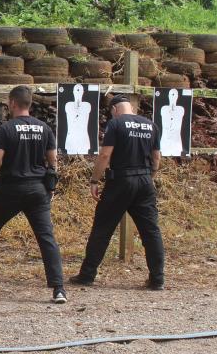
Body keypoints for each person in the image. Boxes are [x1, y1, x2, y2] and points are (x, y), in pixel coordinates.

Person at [0, 85, 67, 304]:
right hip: (38, 189)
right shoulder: (44, 128)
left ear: (12, 103)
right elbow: (53, 161)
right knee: (46, 237)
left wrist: (7, 173)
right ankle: (58, 289)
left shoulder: (7, 129)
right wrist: (49, 184)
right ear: (30, 103)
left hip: (11, 188)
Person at [70, 94, 165, 290]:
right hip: (145, 180)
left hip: (121, 180)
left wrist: (94, 180)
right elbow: (156, 158)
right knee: (151, 232)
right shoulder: (151, 125)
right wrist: (149, 177)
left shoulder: (116, 124)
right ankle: (157, 279)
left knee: (102, 229)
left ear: (114, 110)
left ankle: (87, 275)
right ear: (130, 107)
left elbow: (105, 155)